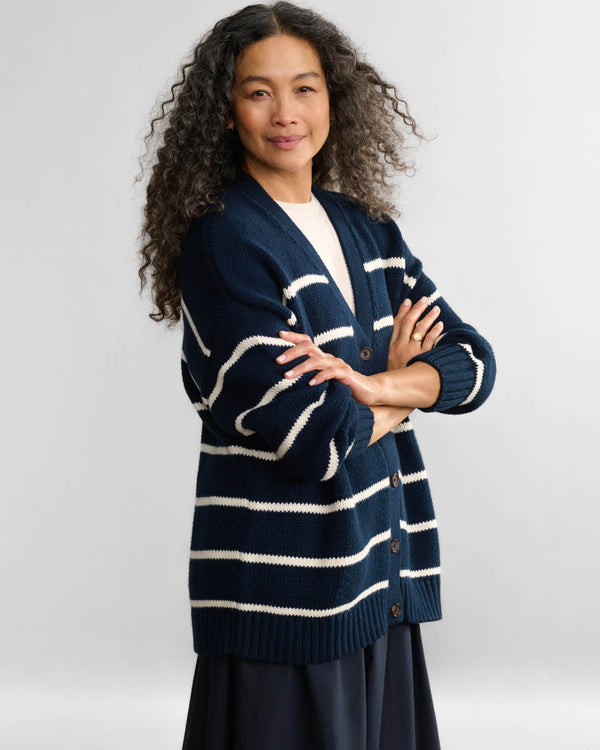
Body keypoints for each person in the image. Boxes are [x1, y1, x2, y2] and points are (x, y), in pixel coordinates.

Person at [137, 3, 496, 748]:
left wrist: (376, 387)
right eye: (258, 92)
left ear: (334, 99)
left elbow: (472, 362)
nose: (285, 113)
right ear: (226, 112)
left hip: (378, 583)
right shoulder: (225, 243)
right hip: (285, 602)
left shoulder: (367, 228)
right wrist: (403, 390)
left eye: (305, 88)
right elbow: (314, 434)